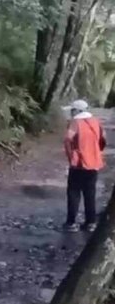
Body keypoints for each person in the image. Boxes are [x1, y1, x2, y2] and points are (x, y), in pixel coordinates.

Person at [63, 99, 106, 232]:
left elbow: (67, 139)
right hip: (93, 163)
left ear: (77, 110)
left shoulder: (75, 122)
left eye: (72, 110)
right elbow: (103, 139)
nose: (71, 112)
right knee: (90, 192)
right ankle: (90, 222)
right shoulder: (96, 121)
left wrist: (71, 157)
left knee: (74, 192)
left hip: (79, 163)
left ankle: (71, 223)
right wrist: (96, 152)